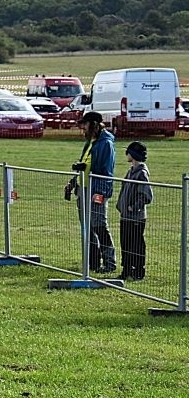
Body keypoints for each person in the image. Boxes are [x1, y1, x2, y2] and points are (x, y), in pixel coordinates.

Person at [70, 111, 117, 275]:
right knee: (87, 228)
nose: (83, 127)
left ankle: (109, 262)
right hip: (83, 189)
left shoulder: (106, 144)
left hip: (97, 190)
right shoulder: (91, 141)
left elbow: (106, 171)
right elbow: (85, 162)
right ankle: (93, 262)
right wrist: (73, 181)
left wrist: (101, 192)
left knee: (99, 226)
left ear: (94, 125)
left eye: (85, 124)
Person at [118, 141, 153, 281]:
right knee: (125, 244)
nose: (126, 155)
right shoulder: (131, 171)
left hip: (136, 217)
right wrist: (121, 206)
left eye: (128, 152)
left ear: (132, 155)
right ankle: (126, 270)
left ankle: (138, 271)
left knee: (136, 244)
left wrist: (134, 206)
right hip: (125, 215)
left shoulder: (141, 173)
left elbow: (146, 195)